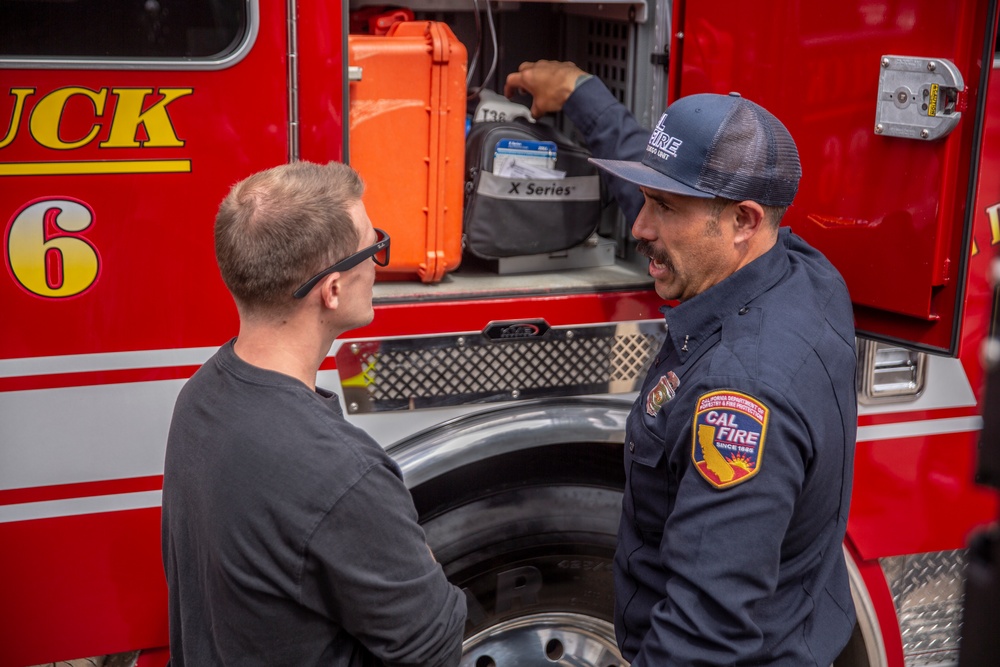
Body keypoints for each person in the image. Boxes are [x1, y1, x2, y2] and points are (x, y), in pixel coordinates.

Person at [506, 63, 858, 665]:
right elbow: (679, 195)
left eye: (663, 207)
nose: (640, 226)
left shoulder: (742, 398)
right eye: (646, 198)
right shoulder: (802, 270)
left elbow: (703, 634)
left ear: (745, 221)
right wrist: (583, 97)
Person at [161, 161, 467, 666]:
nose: (377, 264)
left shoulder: (201, 396)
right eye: (373, 247)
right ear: (332, 290)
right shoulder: (344, 475)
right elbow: (433, 646)